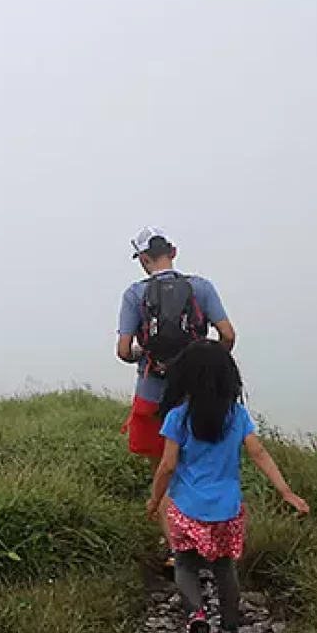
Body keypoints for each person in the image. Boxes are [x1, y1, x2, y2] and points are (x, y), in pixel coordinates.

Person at [145, 340, 309, 633]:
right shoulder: (237, 415)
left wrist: (154, 501)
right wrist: (286, 492)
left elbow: (166, 466)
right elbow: (258, 452)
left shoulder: (178, 418)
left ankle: (197, 615)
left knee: (185, 564)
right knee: (224, 569)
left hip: (188, 509)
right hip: (227, 511)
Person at [117, 227, 235, 569]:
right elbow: (227, 334)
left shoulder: (134, 294)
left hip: (152, 395)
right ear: (174, 251)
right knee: (200, 467)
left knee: (163, 471)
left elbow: (124, 351)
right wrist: (205, 364)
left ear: (142, 259)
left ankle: (178, 551)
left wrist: (145, 350)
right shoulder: (200, 287)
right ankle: (211, 542)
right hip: (198, 396)